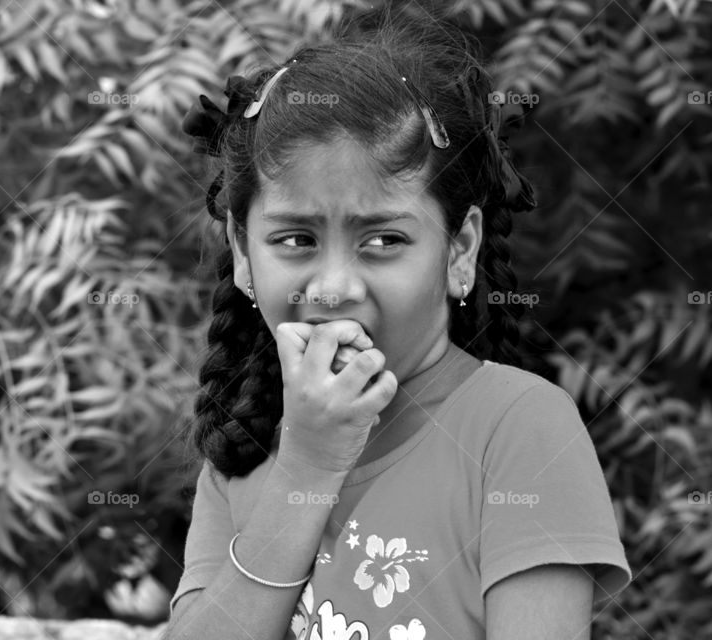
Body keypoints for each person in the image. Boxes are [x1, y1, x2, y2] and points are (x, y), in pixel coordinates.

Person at [165, 4, 631, 639]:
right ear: (244, 255)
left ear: (459, 250)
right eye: (295, 239)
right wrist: (306, 468)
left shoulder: (517, 430)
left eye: (382, 240)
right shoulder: (242, 454)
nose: (333, 288)